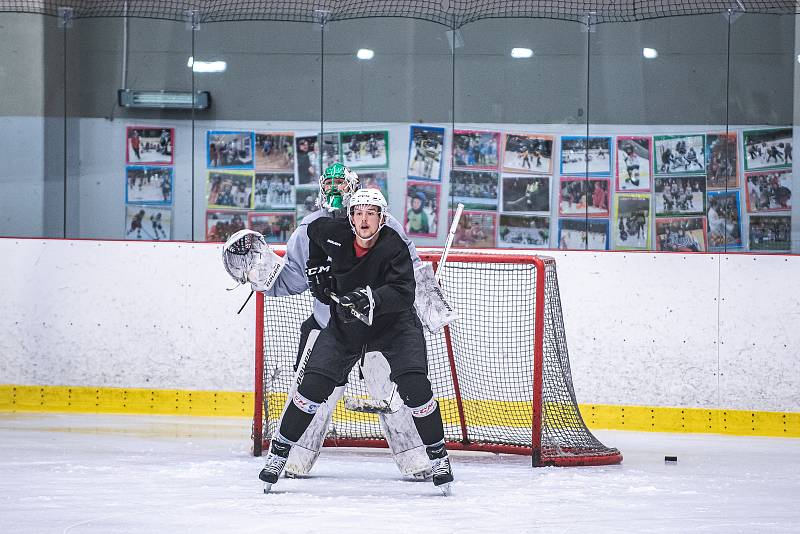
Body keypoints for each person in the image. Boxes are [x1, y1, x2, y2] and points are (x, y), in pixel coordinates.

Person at [259, 188, 454, 495]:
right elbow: (314, 230)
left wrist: (369, 299)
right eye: (358, 213)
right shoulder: (333, 233)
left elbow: (404, 292)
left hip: (394, 325)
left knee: (415, 386)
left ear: (382, 218)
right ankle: (279, 452)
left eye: (371, 214)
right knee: (311, 387)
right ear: (350, 217)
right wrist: (318, 268)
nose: (364, 220)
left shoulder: (394, 245)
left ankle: (438, 456)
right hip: (346, 327)